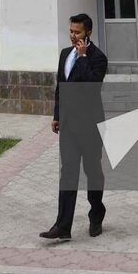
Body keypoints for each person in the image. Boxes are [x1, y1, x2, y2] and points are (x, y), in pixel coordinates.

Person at [40, 12, 108, 241]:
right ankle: (63, 227)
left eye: (77, 32)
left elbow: (91, 86)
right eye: (71, 31)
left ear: (88, 32)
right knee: (68, 173)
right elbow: (62, 87)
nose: (72, 36)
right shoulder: (64, 54)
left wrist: (84, 57)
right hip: (68, 125)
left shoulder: (98, 58)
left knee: (93, 173)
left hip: (90, 126)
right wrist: (57, 115)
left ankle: (97, 212)